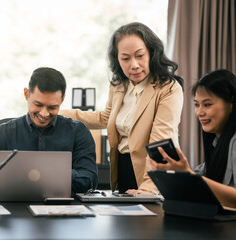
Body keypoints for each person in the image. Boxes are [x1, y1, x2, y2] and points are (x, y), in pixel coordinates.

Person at [59, 22, 184, 194]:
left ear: (152, 53)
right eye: (125, 58)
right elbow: (106, 118)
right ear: (117, 59)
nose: (134, 65)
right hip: (124, 167)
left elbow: (160, 142)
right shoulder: (119, 85)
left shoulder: (168, 88)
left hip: (155, 173)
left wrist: (148, 188)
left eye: (140, 55)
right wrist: (58, 112)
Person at [0, 67, 98, 195]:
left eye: (52, 107)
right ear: (27, 94)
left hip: (64, 210)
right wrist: (15, 181)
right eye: (38, 105)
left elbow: (90, 179)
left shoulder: (78, 132)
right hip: (13, 209)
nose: (44, 114)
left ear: (62, 100)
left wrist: (54, 174)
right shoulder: (4, 133)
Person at [149, 69, 236, 208]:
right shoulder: (217, 144)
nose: (199, 112)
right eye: (196, 105)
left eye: (207, 104)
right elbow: (199, 176)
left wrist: (188, 174)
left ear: (231, 103)